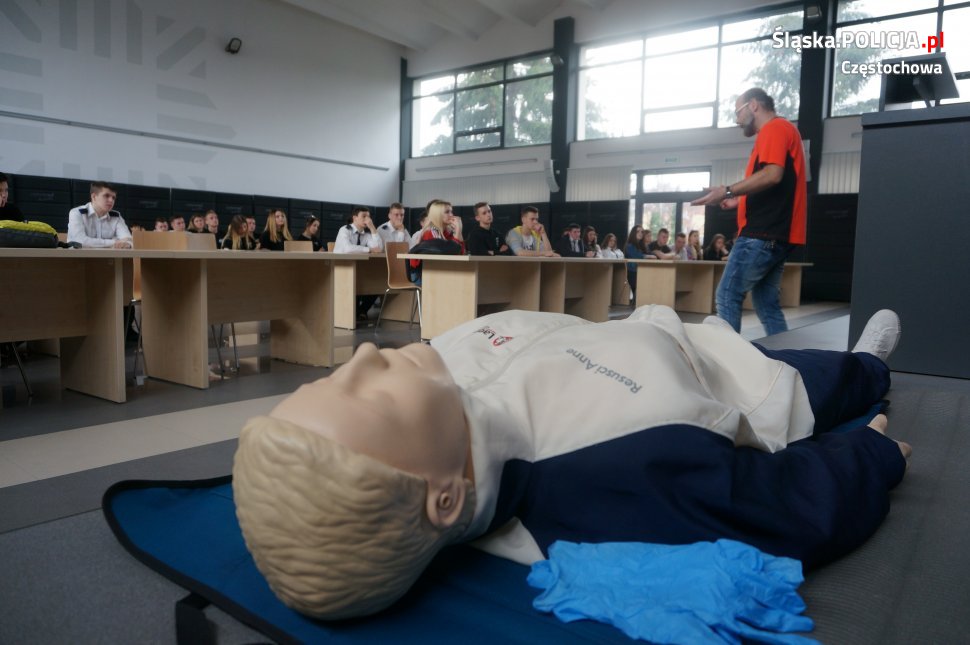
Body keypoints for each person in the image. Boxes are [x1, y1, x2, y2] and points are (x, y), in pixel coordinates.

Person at [233, 307, 909, 621]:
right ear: (444, 498)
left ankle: (858, 365)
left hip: (649, 328)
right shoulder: (601, 487)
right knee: (823, 380)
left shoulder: (436, 379)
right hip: (736, 383)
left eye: (333, 376)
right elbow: (779, 505)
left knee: (816, 368)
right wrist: (871, 453)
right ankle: (868, 366)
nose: (362, 356)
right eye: (372, 397)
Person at [691, 87, 807, 336]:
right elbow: (775, 182)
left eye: (738, 112)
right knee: (766, 303)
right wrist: (739, 201)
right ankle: (783, 353)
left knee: (727, 294)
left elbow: (772, 175)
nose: (736, 119)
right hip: (777, 235)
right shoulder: (783, 130)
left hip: (761, 234)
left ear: (753, 105)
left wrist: (727, 191)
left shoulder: (774, 129)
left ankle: (730, 357)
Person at [67, 181, 132, 248]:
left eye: (113, 198)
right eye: (106, 196)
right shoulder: (77, 213)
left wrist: (127, 244)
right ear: (94, 196)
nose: (111, 200)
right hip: (79, 255)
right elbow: (79, 241)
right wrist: (114, 242)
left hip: (108, 255)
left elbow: (129, 241)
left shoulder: (116, 217)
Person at [624, 225, 649, 299]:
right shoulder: (629, 246)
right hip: (632, 272)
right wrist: (647, 256)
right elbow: (637, 256)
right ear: (633, 233)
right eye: (638, 231)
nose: (640, 233)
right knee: (639, 291)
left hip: (642, 271)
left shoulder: (642, 245)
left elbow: (650, 253)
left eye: (642, 232)